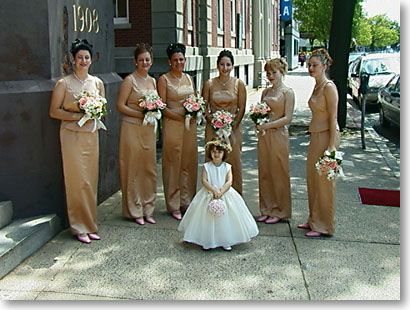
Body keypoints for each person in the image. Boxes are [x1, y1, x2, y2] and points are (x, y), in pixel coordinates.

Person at [49, 39, 104, 244]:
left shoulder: (97, 82)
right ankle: (78, 226)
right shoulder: (64, 83)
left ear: (91, 60)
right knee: (76, 180)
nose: (83, 61)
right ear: (73, 60)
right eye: (79, 57)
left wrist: (94, 113)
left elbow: (102, 109)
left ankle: (90, 224)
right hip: (71, 136)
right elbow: (54, 111)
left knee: (90, 181)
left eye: (86, 57)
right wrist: (78, 116)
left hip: (91, 136)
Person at [178, 138, 259, 251]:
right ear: (210, 153)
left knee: (226, 218)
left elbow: (229, 181)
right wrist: (213, 190)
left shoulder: (227, 167)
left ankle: (226, 240)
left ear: (224, 153)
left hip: (224, 193)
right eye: (214, 152)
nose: (216, 154)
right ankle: (206, 240)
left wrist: (221, 191)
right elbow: (204, 180)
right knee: (207, 218)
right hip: (209, 193)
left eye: (219, 152)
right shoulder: (207, 166)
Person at [298, 48, 340, 237]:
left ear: (324, 66)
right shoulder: (317, 85)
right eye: (309, 65)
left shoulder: (329, 87)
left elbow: (333, 118)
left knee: (324, 181)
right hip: (316, 135)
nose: (310, 68)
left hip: (327, 136)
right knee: (313, 179)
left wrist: (331, 147)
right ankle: (313, 218)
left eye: (314, 65)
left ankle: (324, 225)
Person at [116, 43, 158, 226]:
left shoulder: (153, 81)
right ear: (135, 61)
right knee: (133, 168)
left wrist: (153, 112)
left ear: (151, 61)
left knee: (149, 169)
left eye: (147, 59)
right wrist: (141, 114)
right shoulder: (129, 81)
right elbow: (120, 105)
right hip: (132, 128)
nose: (144, 62)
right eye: (141, 60)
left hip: (148, 130)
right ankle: (134, 209)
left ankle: (148, 208)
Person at [157, 43, 198, 220]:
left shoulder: (189, 78)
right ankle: (173, 204)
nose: (178, 63)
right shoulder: (164, 79)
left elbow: (195, 100)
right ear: (169, 62)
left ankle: (187, 200)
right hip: (173, 124)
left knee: (188, 161)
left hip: (190, 126)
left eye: (181, 59)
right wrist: (179, 117)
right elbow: (162, 106)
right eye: (175, 60)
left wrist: (194, 111)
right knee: (173, 163)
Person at [256, 58, 295, 224]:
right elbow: (259, 111)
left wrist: (268, 125)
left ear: (282, 72)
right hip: (264, 136)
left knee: (278, 172)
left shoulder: (288, 92)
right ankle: (266, 208)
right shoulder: (265, 92)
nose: (271, 76)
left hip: (278, 135)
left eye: (274, 72)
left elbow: (288, 118)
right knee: (265, 171)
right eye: (268, 72)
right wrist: (257, 122)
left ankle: (280, 210)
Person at [202, 50, 246, 194]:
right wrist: (215, 123)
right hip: (213, 128)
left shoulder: (239, 84)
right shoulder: (209, 84)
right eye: (222, 64)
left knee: (234, 161)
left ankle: (235, 198)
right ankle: (212, 195)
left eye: (228, 65)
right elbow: (205, 107)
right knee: (213, 161)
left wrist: (230, 126)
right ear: (217, 65)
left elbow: (241, 108)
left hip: (233, 129)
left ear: (232, 66)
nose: (225, 68)